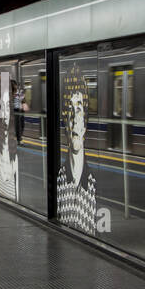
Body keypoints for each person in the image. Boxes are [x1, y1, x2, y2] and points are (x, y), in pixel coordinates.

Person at [56, 62, 100, 234]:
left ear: (85, 124)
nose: (75, 119)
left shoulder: (93, 183)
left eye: (79, 110)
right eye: (70, 111)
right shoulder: (60, 179)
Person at [0, 86, 19, 200]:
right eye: (3, 107)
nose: (5, 112)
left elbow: (17, 189)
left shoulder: (14, 149)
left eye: (8, 107)